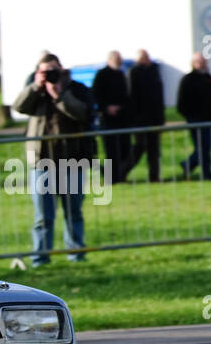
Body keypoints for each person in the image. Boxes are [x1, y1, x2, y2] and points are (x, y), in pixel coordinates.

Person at [12, 53, 97, 265]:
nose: (49, 74)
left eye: (52, 70)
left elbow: (83, 113)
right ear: (38, 72)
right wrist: (36, 87)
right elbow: (19, 107)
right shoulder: (34, 89)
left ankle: (76, 254)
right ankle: (40, 258)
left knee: (73, 211)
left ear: (61, 68)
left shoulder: (76, 88)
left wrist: (59, 95)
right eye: (44, 71)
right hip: (41, 161)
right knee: (43, 216)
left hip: (73, 159)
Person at [177, 52, 211, 181]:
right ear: (194, 63)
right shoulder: (187, 79)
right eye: (200, 62)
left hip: (209, 119)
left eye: (204, 62)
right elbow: (182, 102)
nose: (203, 64)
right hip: (195, 120)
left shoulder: (208, 78)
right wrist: (190, 116)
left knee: (206, 146)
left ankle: (188, 165)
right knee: (203, 147)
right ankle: (206, 173)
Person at [92, 51, 132, 183]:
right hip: (107, 119)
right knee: (111, 150)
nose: (119, 61)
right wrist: (107, 107)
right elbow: (96, 95)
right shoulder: (101, 75)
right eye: (116, 59)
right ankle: (112, 178)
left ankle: (120, 175)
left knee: (125, 149)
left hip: (122, 117)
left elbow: (126, 95)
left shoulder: (121, 74)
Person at [127, 49, 165, 182]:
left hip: (154, 118)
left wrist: (161, 118)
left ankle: (154, 176)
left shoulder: (154, 71)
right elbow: (132, 96)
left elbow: (159, 96)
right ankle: (122, 171)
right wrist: (135, 117)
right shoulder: (134, 72)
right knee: (139, 147)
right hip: (140, 119)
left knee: (154, 150)